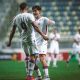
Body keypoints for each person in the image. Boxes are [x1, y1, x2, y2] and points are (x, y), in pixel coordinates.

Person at [7, 2, 48, 80]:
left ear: (20, 9)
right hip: (31, 39)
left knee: (29, 57)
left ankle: (38, 76)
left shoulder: (16, 18)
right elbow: (35, 26)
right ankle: (29, 76)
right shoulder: (30, 16)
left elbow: (12, 31)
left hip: (23, 40)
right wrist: (43, 35)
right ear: (27, 8)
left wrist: (9, 41)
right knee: (33, 57)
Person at [32, 5, 55, 80]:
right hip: (35, 43)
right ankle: (39, 76)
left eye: (35, 10)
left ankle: (47, 76)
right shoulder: (33, 21)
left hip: (42, 42)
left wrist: (50, 21)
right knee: (32, 61)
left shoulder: (44, 19)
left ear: (39, 11)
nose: (34, 12)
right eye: (33, 11)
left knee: (42, 58)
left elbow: (53, 23)